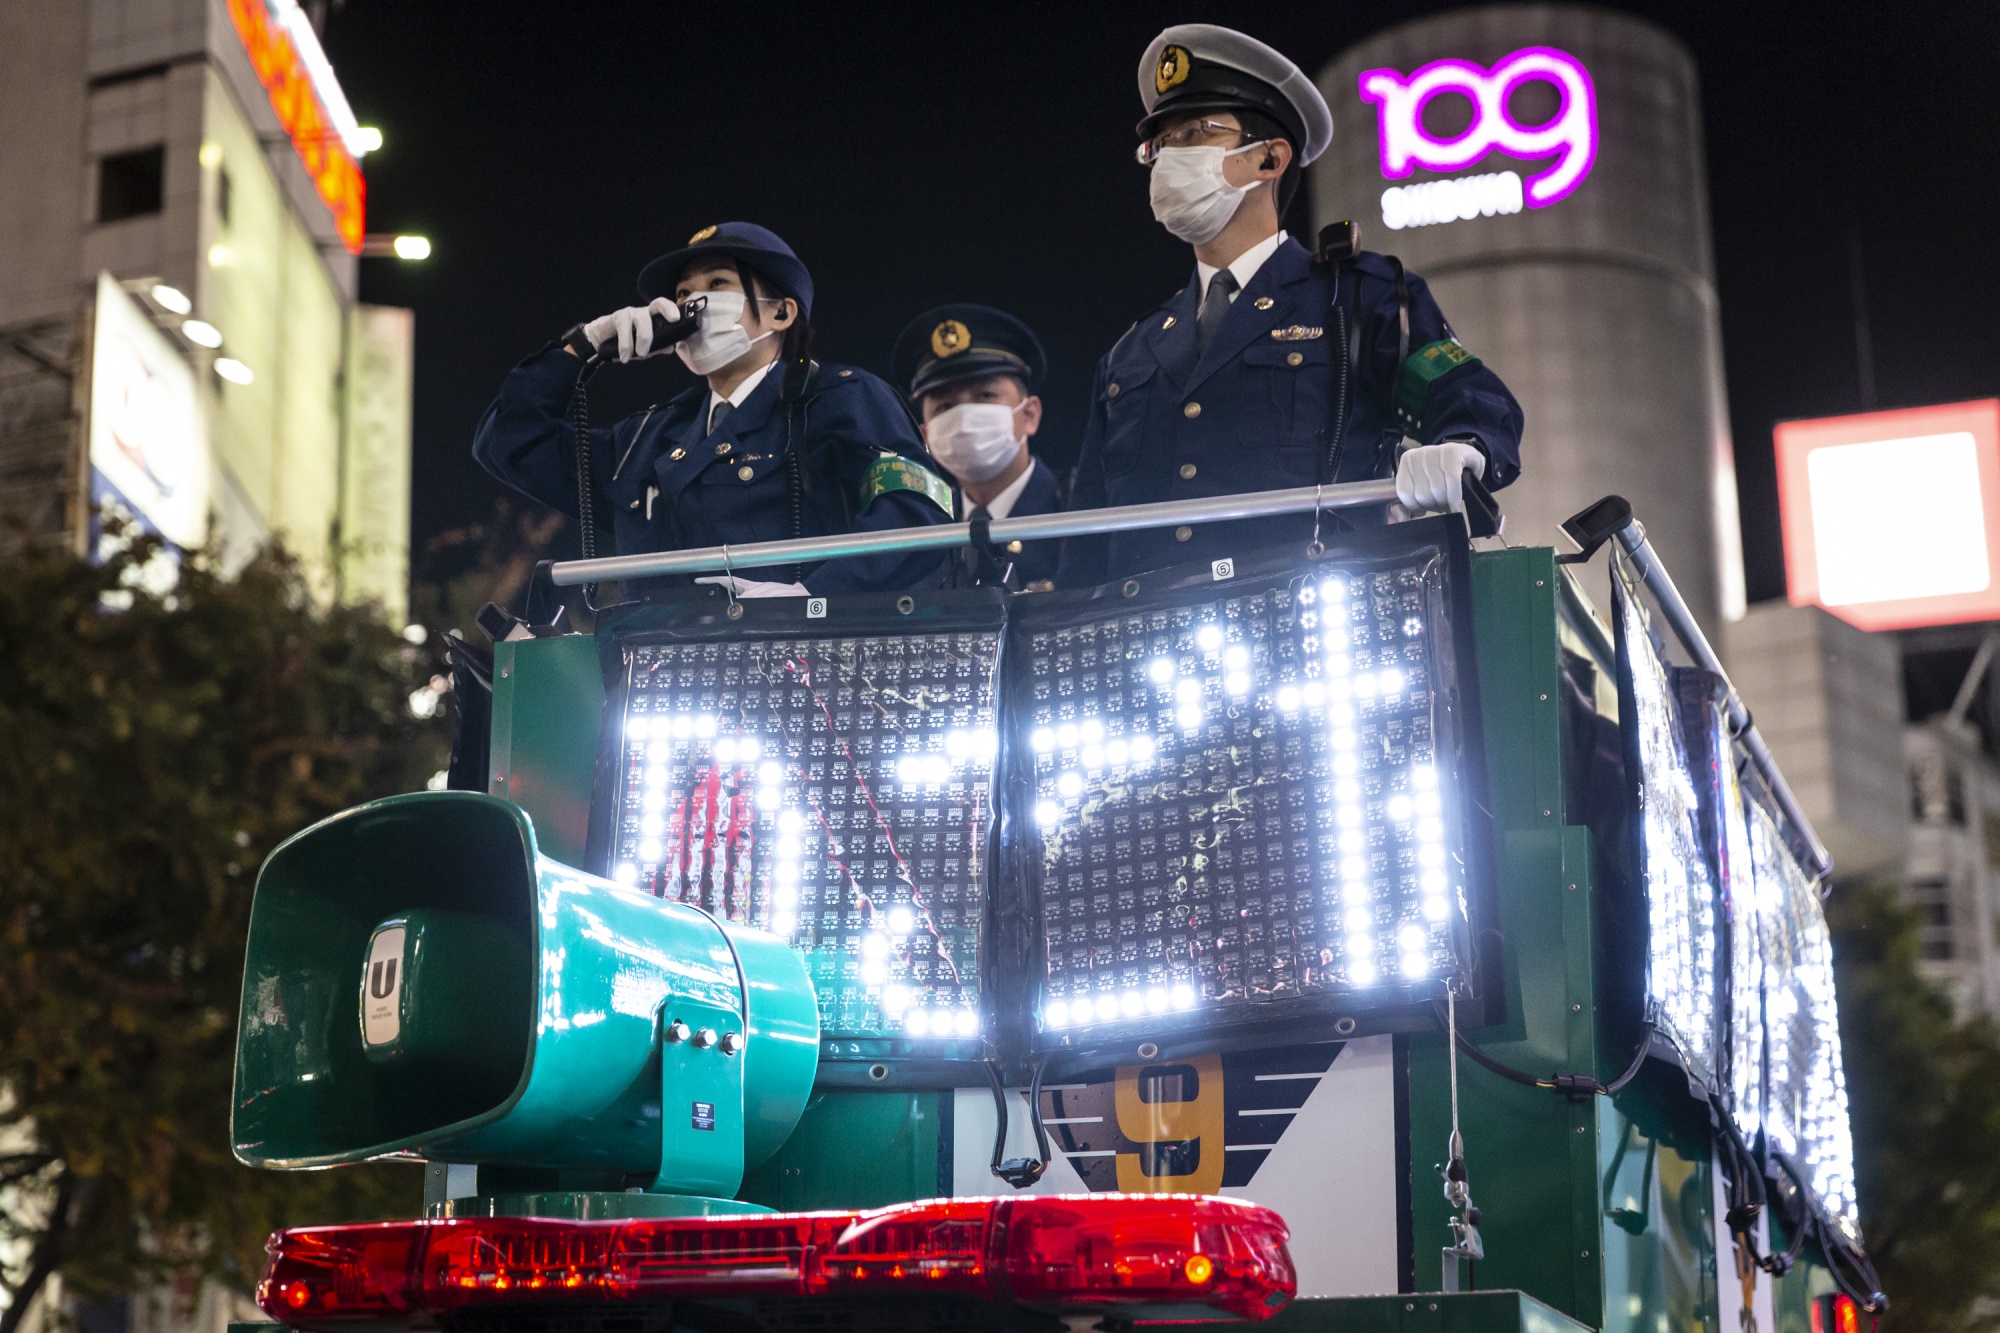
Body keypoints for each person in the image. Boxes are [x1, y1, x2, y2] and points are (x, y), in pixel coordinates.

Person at [1057, 25, 1525, 587]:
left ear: (1269, 158)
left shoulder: (1357, 297)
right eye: (1160, 145)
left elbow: (1471, 397)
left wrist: (1464, 446)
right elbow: (1084, 547)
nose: (1168, 159)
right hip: (1147, 631)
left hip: (1310, 620)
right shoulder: (1132, 352)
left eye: (1195, 133)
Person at [472, 222, 954, 600]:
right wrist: (581, 348)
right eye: (682, 294)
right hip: (652, 680)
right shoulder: (646, 438)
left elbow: (916, 517)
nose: (692, 305)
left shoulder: (839, 399)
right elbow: (507, 442)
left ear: (781, 313)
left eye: (717, 283)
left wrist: (812, 597)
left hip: (802, 671)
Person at [890, 304, 1063, 589]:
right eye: (945, 406)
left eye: (985, 395)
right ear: (926, 436)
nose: (964, 418)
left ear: (1029, 414)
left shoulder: (1075, 509)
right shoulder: (920, 533)